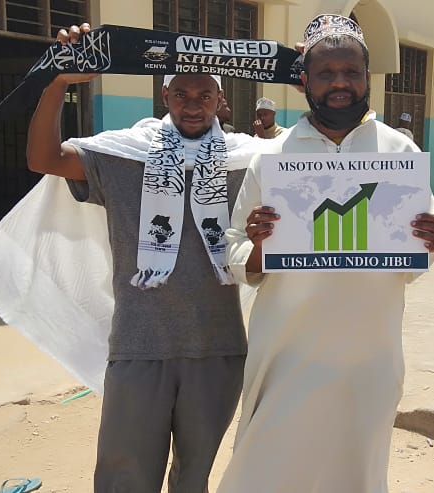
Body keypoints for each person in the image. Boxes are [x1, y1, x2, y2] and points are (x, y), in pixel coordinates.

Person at [21, 23, 265, 492]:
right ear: (164, 95)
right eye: (181, 94)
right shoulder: (124, 157)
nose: (192, 105)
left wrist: (306, 71)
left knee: (194, 476)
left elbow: (317, 162)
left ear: (221, 101)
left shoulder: (246, 161)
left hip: (217, 348)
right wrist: (57, 81)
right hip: (140, 345)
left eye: (204, 95)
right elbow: (43, 158)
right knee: (125, 477)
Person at [216, 15, 434, 492]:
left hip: (369, 354)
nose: (340, 82)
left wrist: (429, 241)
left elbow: (413, 262)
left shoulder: (399, 153)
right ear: (305, 80)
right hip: (287, 353)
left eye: (351, 71)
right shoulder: (272, 157)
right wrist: (259, 247)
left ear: (367, 77)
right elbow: (233, 249)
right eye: (326, 73)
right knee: (268, 472)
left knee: (354, 472)